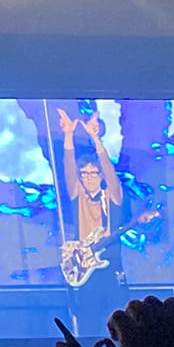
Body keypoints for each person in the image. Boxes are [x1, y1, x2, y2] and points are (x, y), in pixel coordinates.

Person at [56, 107, 124, 332]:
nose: (88, 178)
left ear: (100, 176)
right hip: (85, 268)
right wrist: (68, 136)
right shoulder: (79, 196)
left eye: (93, 174)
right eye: (84, 174)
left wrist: (96, 138)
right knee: (88, 321)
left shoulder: (112, 196)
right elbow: (68, 172)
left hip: (110, 264)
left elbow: (111, 173)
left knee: (120, 320)